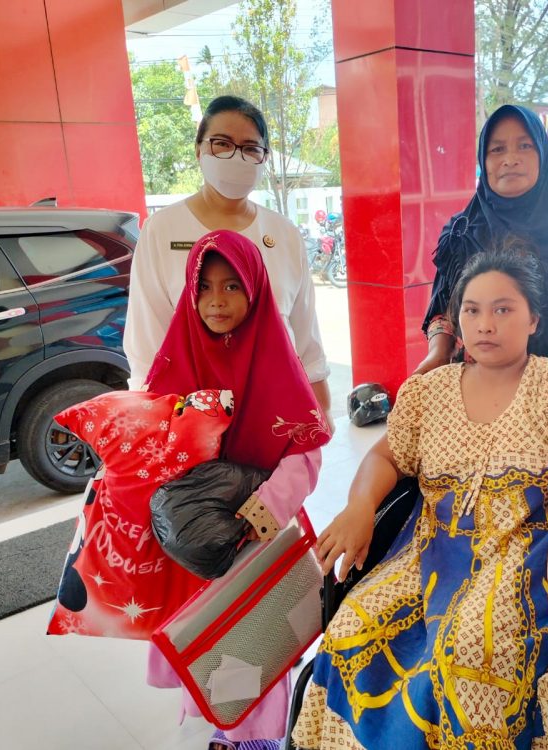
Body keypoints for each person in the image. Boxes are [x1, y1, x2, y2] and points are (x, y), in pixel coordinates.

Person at [292, 248, 548, 749]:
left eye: (503, 309)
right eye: (472, 309)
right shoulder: (430, 391)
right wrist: (360, 506)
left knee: (469, 653)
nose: (485, 323)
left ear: (533, 319)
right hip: (432, 549)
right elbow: (386, 458)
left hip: (525, 551)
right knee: (351, 627)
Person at [144, 230, 332, 750]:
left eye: (232, 286)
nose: (216, 301)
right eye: (204, 287)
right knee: (205, 635)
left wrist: (261, 511)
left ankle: (253, 737)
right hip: (200, 540)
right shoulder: (178, 357)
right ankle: (214, 723)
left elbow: (305, 451)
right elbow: (153, 443)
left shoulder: (276, 361)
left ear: (255, 289)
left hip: (257, 536)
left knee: (254, 635)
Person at [125, 94, 332, 427]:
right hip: (194, 417)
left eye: (250, 147)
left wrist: (321, 409)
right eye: (222, 143)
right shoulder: (162, 230)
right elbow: (146, 340)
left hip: (275, 412)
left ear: (264, 157)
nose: (236, 156)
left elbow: (306, 333)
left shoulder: (283, 233)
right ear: (199, 150)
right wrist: (156, 422)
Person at [415, 104, 548, 402]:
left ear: (543, 153)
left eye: (525, 146)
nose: (510, 159)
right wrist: (437, 354)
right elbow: (444, 308)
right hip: (473, 384)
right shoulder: (462, 232)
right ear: (483, 160)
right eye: (497, 149)